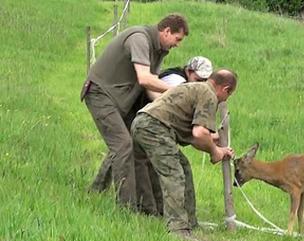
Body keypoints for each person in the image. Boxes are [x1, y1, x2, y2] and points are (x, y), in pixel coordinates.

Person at [81, 13, 189, 209]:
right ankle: (126, 207)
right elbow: (145, 79)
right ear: (166, 31)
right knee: (123, 145)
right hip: (100, 93)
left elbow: (150, 88)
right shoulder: (140, 38)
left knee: (125, 143)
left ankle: (96, 190)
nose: (178, 44)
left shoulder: (159, 50)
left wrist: (164, 110)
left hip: (120, 100)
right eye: (177, 39)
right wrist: (179, 92)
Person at [87, 56, 213, 217]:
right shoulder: (175, 80)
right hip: (143, 120)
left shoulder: (187, 82)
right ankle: (142, 208)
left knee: (124, 153)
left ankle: (101, 191)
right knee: (131, 156)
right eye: (198, 79)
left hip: (144, 120)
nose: (200, 84)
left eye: (204, 80)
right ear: (189, 71)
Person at [130, 69, 237, 241]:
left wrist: (213, 143)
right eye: (228, 95)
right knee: (174, 174)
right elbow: (199, 133)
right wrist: (215, 151)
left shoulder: (197, 88)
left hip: (145, 123)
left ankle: (190, 222)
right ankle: (178, 230)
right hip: (154, 127)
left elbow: (197, 137)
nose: (225, 99)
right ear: (225, 89)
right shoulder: (209, 95)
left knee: (183, 167)